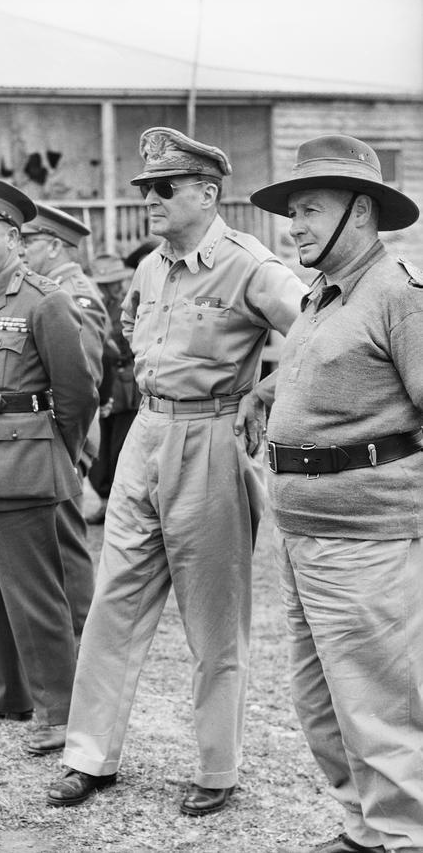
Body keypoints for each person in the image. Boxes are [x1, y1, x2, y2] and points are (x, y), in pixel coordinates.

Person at [46, 126, 306, 813]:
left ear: (208, 193)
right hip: (147, 435)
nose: (150, 201)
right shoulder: (151, 266)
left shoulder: (250, 264)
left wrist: (267, 390)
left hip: (211, 440)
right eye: (146, 190)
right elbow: (133, 331)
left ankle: (217, 768)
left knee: (214, 620)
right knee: (113, 603)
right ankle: (89, 757)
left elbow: (318, 330)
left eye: (163, 189)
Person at [250, 135, 423, 853]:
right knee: (320, 704)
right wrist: (266, 393)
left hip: (366, 540)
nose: (295, 225)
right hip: (303, 532)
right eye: (293, 209)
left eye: (311, 208)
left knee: (379, 706)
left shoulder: (396, 295)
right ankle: (363, 831)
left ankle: (407, 835)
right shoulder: (323, 294)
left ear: (362, 212)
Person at [0, 176, 98, 755]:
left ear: (14, 237)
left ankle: (60, 708)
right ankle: (5, 690)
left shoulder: (45, 300)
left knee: (34, 594)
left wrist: (54, 450)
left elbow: (77, 395)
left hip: (21, 463)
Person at [21, 203, 110, 639]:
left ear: (54, 245)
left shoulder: (75, 294)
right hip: (48, 432)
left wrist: (69, 442)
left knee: (65, 536)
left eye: (29, 242)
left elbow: (84, 377)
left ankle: (80, 627)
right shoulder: (47, 290)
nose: (20, 250)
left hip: (66, 431)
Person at [86, 253, 139, 525]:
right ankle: (105, 500)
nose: (115, 287)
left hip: (127, 385)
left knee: (122, 446)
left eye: (117, 281)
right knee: (99, 445)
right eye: (108, 283)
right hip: (102, 382)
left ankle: (120, 506)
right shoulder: (93, 307)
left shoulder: (134, 304)